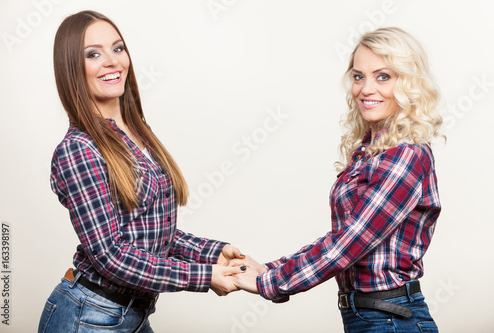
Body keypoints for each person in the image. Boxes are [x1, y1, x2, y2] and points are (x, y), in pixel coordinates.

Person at [38, 10, 246, 333]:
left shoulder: (137, 132)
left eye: (117, 48)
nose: (112, 61)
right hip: (89, 317)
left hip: (131, 316)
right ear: (72, 68)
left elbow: (149, 233)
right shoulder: (78, 149)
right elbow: (112, 255)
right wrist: (205, 277)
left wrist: (213, 253)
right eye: (93, 54)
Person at [231, 27, 443, 332]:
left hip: (390, 319)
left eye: (383, 76)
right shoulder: (372, 151)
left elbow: (348, 244)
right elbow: (341, 237)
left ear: (409, 82)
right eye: (359, 76)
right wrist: (271, 268)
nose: (366, 89)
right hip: (369, 316)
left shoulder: (404, 154)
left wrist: (270, 282)